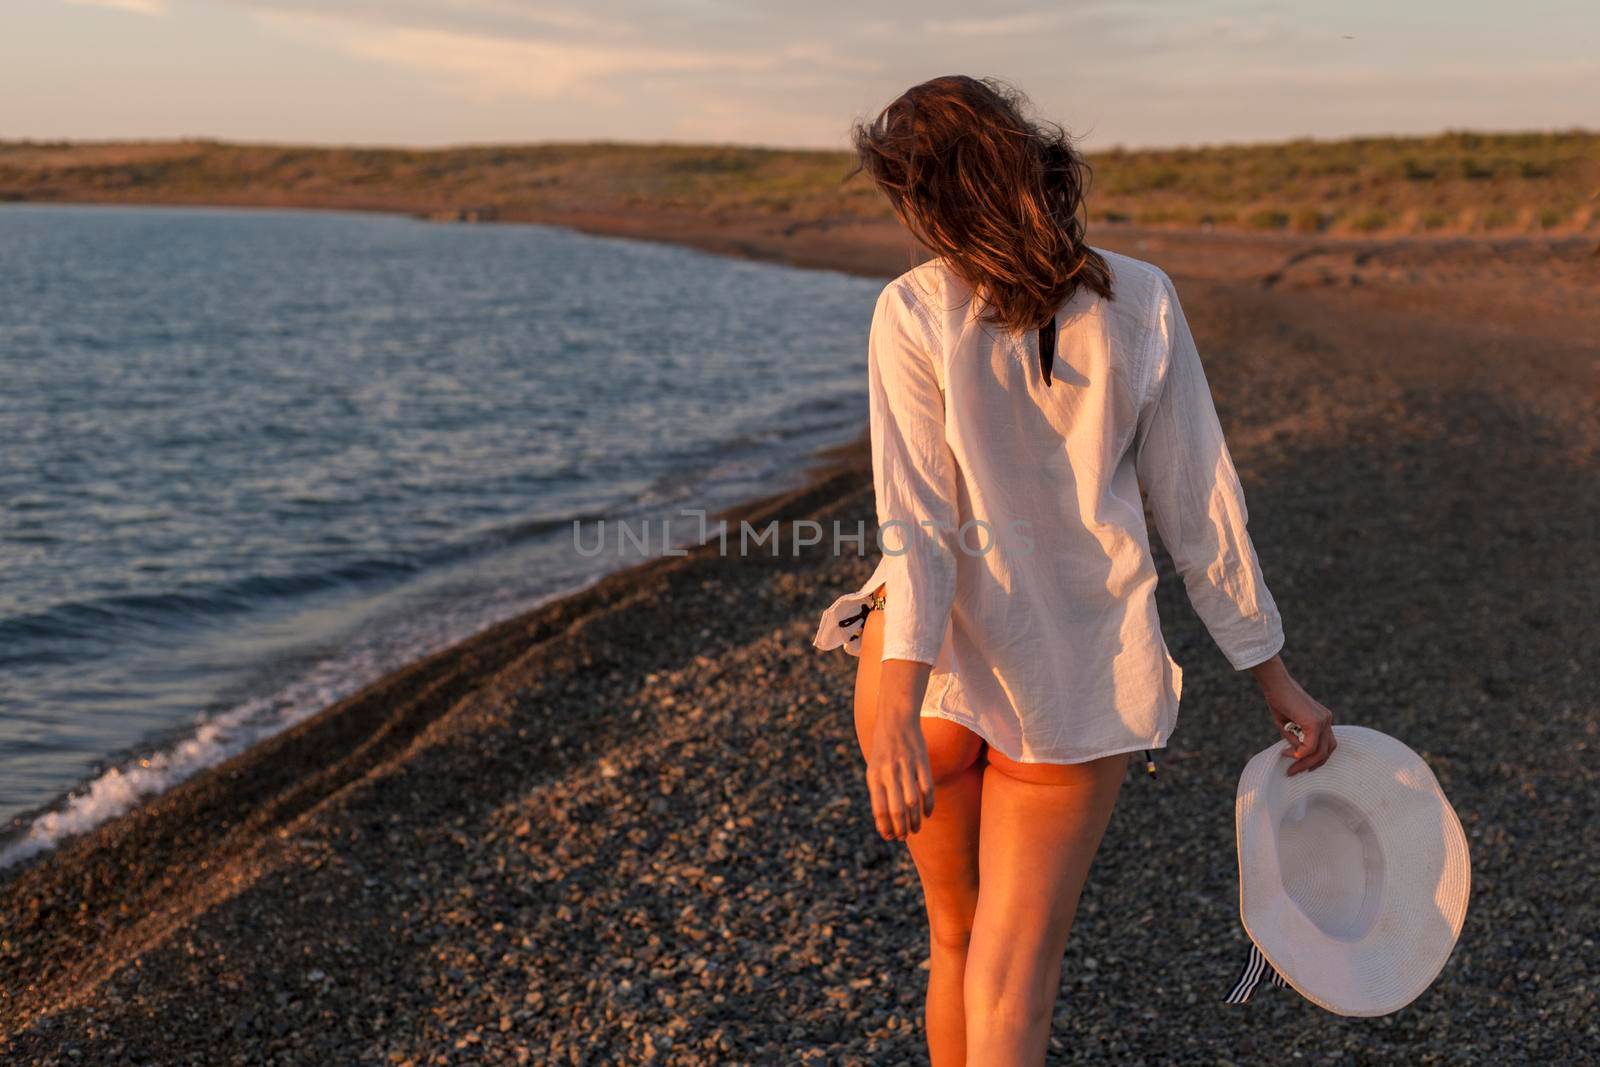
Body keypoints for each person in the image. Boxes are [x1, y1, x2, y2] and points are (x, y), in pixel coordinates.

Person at [811, 76, 1337, 1065]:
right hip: (1071, 674)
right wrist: (1272, 675)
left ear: (925, 197)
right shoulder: (1139, 296)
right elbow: (1200, 511)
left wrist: (889, 702)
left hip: (929, 676)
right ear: (1028, 159)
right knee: (1013, 980)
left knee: (954, 943)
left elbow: (916, 527)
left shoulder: (912, 308)